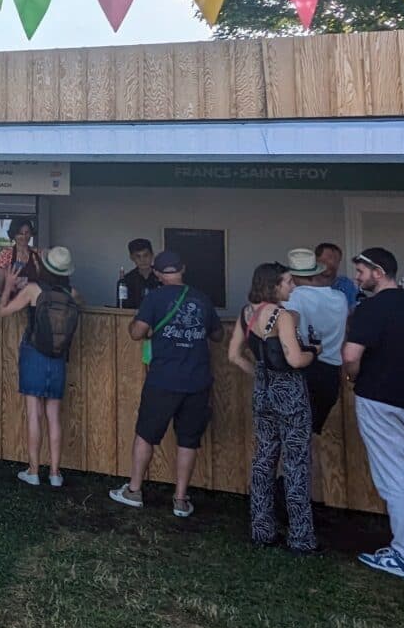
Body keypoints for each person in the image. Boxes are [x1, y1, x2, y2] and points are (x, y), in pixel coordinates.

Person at [343, 247, 404, 582]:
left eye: (361, 272)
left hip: (381, 399)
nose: (357, 278)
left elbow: (350, 352)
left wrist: (352, 375)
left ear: (379, 271)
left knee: (396, 478)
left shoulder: (372, 309)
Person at [111, 251, 220, 517]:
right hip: (197, 380)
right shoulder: (202, 298)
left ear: (158, 274)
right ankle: (181, 500)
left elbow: (137, 333)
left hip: (163, 378)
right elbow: (218, 334)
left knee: (146, 434)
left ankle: (134, 491)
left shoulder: (155, 297)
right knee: (188, 440)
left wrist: (139, 326)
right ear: (182, 267)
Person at [230, 262, 319, 552]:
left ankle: (262, 529)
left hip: (263, 391)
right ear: (273, 285)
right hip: (289, 391)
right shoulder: (281, 316)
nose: (292, 286)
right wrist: (314, 353)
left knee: (264, 459)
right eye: (288, 282)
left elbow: (234, 355)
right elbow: (294, 359)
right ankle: (301, 536)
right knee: (295, 463)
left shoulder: (247, 313)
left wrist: (259, 374)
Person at [0, 246, 81, 488]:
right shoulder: (72, 293)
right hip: (58, 355)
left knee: (33, 412)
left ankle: (33, 471)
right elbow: (81, 305)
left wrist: (9, 286)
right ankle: (55, 473)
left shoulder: (33, 290)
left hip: (33, 352)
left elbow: (2, 312)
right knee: (53, 415)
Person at [282, 247, 348, 434]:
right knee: (312, 434)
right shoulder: (340, 298)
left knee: (294, 439)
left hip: (304, 369)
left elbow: (290, 325)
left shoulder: (294, 297)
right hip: (331, 373)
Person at [0, 217, 41, 304]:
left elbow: (42, 282)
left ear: (31, 234)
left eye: (27, 233)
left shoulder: (37, 254)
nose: (24, 236)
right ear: (13, 235)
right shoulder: (4, 255)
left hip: (33, 305)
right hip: (11, 305)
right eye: (20, 233)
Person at [116, 237, 159, 309]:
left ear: (152, 255)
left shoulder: (162, 277)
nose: (143, 260)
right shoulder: (126, 281)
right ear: (132, 258)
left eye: (146, 255)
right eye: (138, 256)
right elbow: (122, 308)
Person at [316, 242, 359, 309]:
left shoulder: (346, 284)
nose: (332, 262)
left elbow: (356, 309)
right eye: (328, 257)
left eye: (336, 259)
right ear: (316, 260)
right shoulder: (307, 285)